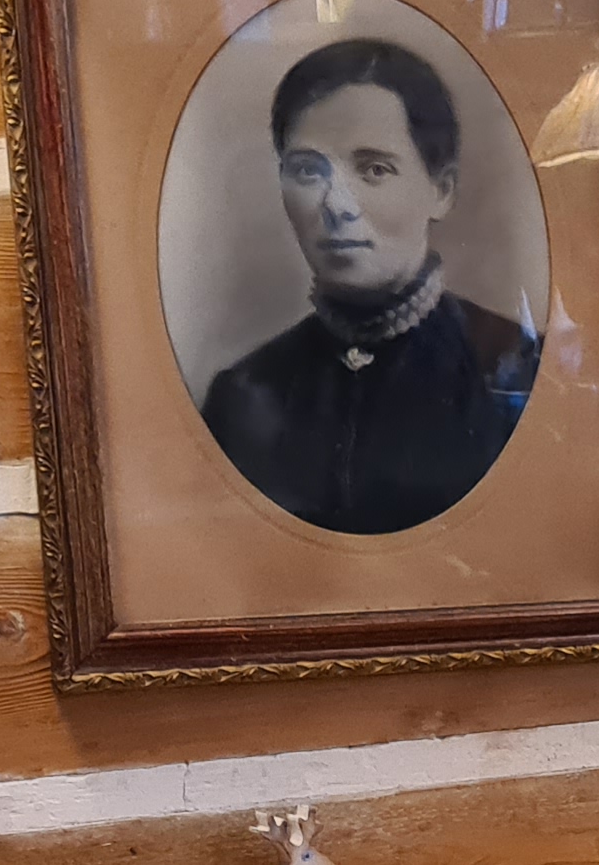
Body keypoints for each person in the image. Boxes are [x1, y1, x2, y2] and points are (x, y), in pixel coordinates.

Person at [201, 39, 537, 536]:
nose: (337, 205)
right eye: (308, 170)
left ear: (441, 190)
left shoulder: (514, 373)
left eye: (374, 169)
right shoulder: (242, 395)